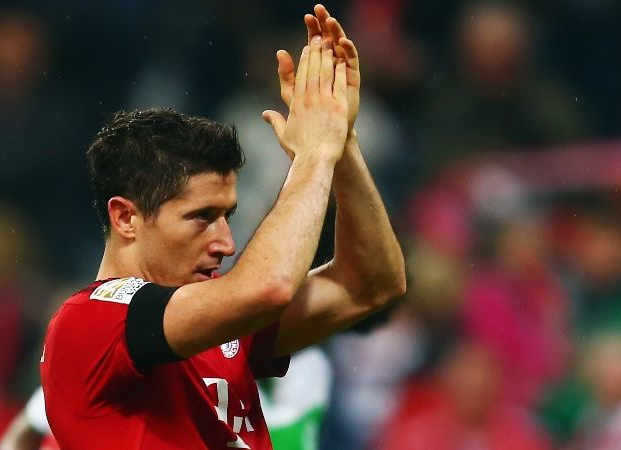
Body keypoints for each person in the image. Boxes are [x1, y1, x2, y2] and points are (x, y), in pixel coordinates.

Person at [39, 4, 405, 449]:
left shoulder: (221, 326)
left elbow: (370, 286)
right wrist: (313, 157)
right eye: (201, 218)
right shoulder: (90, 322)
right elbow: (269, 287)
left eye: (227, 216)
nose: (225, 243)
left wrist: (341, 143)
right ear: (126, 218)